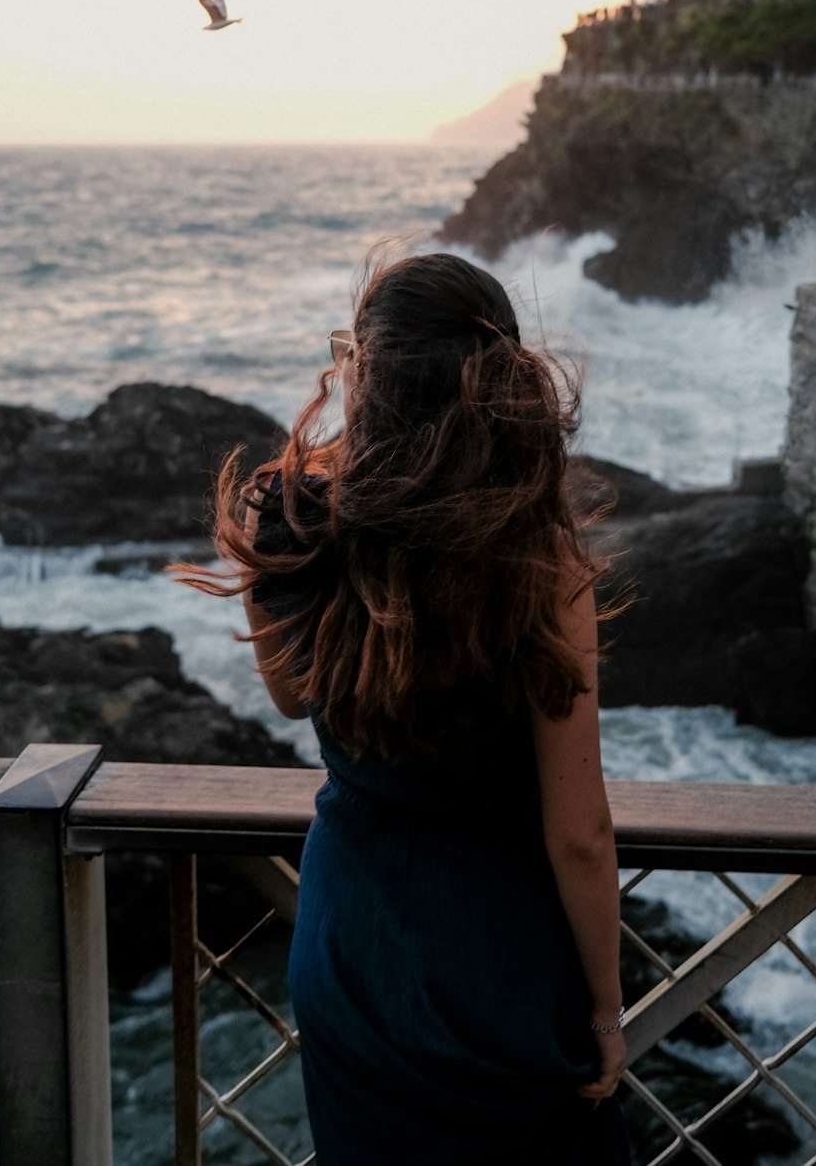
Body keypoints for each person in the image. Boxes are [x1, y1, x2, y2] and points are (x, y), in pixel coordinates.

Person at [186, 251, 630, 1165]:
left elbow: (286, 693)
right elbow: (579, 830)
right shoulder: (542, 559)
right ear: (505, 383)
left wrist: (285, 536)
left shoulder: (301, 516)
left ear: (367, 375)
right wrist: (606, 1007)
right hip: (499, 955)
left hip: (352, 945)